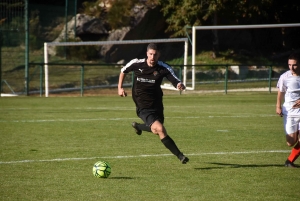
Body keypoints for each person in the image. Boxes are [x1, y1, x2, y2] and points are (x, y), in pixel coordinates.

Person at [117, 43, 189, 164]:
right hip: (142, 103)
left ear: (159, 55)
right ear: (147, 54)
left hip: (156, 103)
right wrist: (120, 88)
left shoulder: (163, 67)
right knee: (160, 129)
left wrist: (178, 84)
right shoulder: (137, 63)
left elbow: (174, 78)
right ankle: (180, 156)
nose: (152, 57)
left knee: (156, 129)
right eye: (150, 54)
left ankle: (138, 126)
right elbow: (123, 71)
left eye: (155, 55)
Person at [276, 52, 300, 168]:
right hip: (290, 112)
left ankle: (289, 161)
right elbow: (280, 92)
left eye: (294, 65)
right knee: (290, 142)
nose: (291, 67)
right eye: (289, 65)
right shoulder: (285, 77)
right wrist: (278, 106)